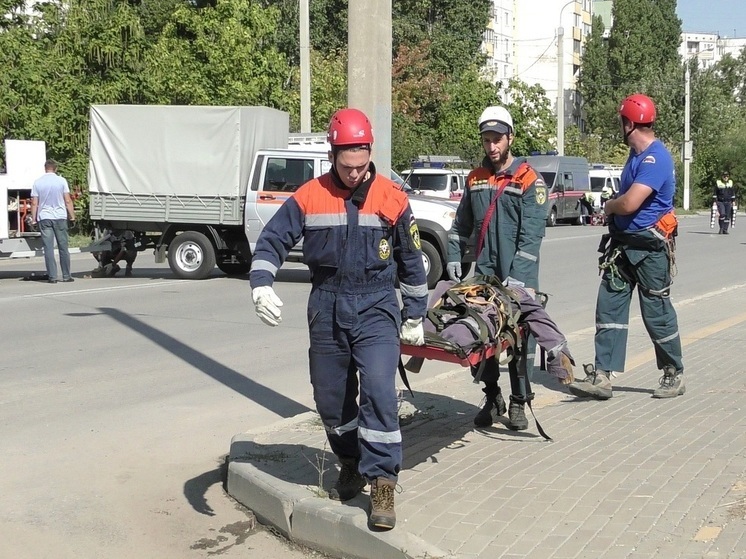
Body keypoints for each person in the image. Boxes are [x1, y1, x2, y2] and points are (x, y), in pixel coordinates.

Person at [249, 108, 428, 531]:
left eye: (361, 166)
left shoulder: (392, 197)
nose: (353, 174)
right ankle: (350, 460)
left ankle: (383, 480)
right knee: (331, 401)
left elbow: (411, 259)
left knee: (380, 393)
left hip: (377, 306)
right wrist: (261, 282)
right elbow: (272, 239)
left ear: (370, 154)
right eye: (346, 167)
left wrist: (416, 313)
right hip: (327, 305)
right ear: (333, 154)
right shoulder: (310, 195)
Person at [568, 93, 684, 401]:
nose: (621, 126)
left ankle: (673, 373)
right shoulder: (636, 156)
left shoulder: (655, 158)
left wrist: (609, 206)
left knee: (656, 312)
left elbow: (630, 202)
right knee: (609, 308)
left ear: (629, 123)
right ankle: (603, 377)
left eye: (622, 121)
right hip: (623, 246)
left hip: (649, 250)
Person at [446, 106, 548, 431]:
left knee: (517, 340)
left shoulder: (529, 179)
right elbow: (461, 226)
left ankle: (520, 401)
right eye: (487, 140)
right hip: (483, 277)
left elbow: (532, 237)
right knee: (480, 338)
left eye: (497, 139)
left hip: (517, 277)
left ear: (510, 138)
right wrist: (452, 255)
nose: (492, 147)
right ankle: (493, 398)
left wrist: (519, 279)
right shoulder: (475, 179)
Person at [30, 159, 76, 283]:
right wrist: (72, 216)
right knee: (63, 247)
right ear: (55, 169)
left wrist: (34, 219)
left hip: (44, 217)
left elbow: (34, 202)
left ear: (45, 168)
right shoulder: (61, 181)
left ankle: (52, 277)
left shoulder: (38, 182)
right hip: (60, 217)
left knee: (48, 248)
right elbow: (67, 200)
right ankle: (66, 276)